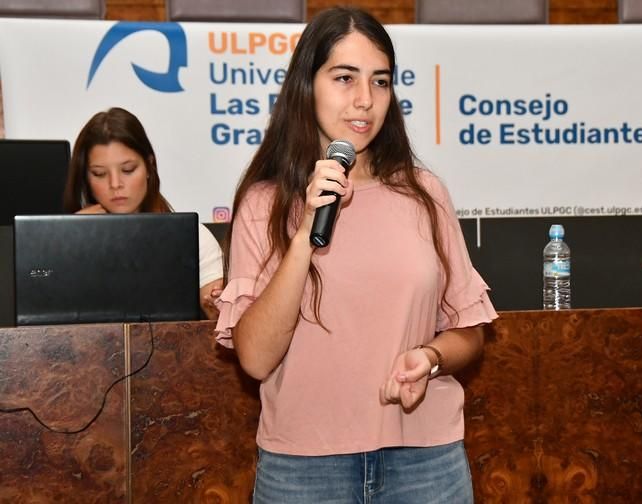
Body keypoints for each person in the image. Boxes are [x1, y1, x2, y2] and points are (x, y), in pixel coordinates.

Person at [215, 7, 498, 503]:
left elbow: (471, 334)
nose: (364, 100)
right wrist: (305, 230)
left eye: (380, 81)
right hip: (303, 470)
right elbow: (256, 359)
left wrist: (430, 358)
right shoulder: (264, 204)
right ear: (308, 85)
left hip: (426, 463)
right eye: (344, 77)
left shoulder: (424, 193)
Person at [63, 107, 223, 320]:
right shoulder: (65, 239)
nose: (115, 184)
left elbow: (217, 321)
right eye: (99, 174)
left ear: (149, 166)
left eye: (128, 170)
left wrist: (218, 308)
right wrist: (69, 237)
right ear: (85, 179)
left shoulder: (193, 237)